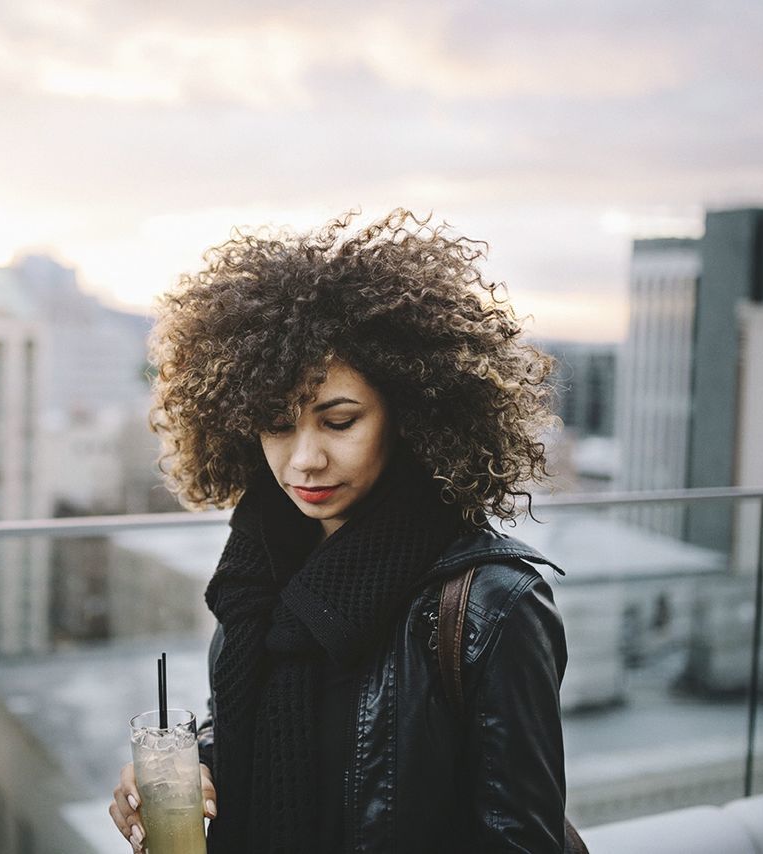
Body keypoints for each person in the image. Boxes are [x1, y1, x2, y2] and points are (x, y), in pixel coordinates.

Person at [109, 209, 572, 852]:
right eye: (276, 423)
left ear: (410, 414)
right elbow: (260, 719)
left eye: (339, 421)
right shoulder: (263, 560)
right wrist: (197, 771)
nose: (304, 461)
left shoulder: (491, 608)